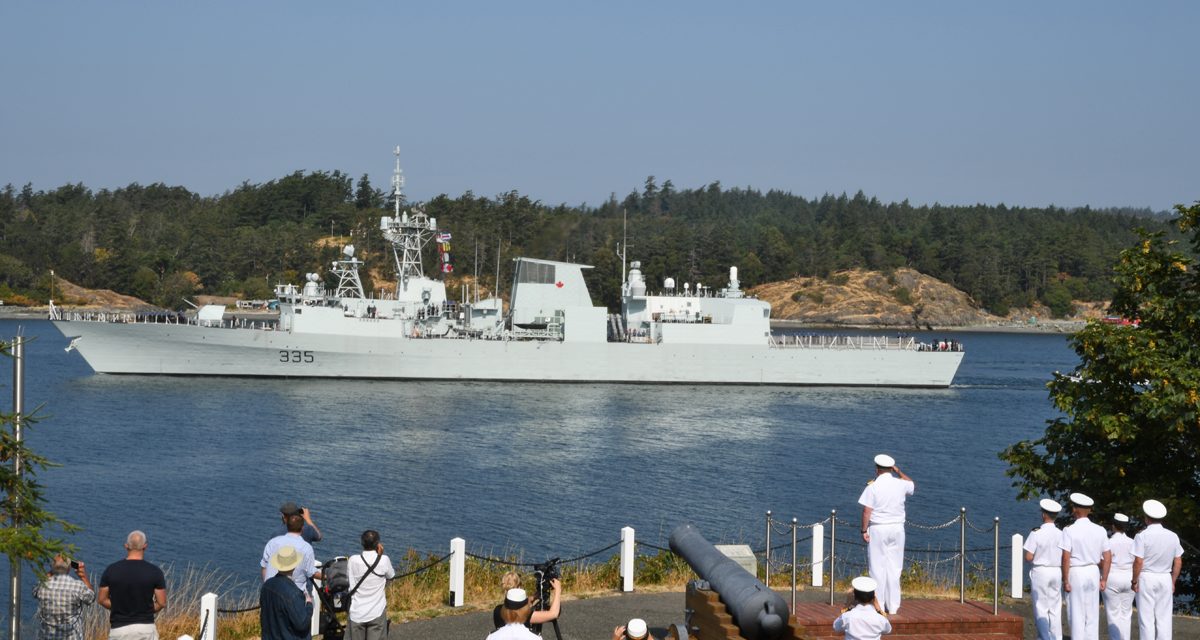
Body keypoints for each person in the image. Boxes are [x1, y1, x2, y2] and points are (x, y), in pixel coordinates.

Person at [858, 453, 914, 614]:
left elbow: (867, 510)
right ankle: (894, 606)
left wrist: (863, 529)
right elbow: (911, 484)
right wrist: (899, 471)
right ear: (891, 468)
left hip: (879, 528)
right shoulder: (900, 484)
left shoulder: (873, 486)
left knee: (877, 567)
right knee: (895, 567)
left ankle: (879, 604)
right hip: (897, 528)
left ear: (877, 470)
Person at [98, 531, 167, 640]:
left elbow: (102, 599)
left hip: (119, 629)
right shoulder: (155, 572)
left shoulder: (111, 570)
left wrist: (117, 607)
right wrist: (145, 610)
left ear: (126, 546)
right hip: (145, 628)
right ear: (145, 546)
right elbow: (162, 602)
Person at [1059, 493, 1111, 640]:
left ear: (1075, 510)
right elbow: (1107, 557)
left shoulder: (1069, 530)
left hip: (1076, 571)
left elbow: (1065, 557)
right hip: (1094, 571)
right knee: (1092, 613)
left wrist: (1065, 580)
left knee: (1076, 613)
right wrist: (1104, 578)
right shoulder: (1100, 530)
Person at [1132, 499, 1183, 640]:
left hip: (1147, 577)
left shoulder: (1142, 536)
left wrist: (1134, 580)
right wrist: (1173, 581)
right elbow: (1178, 561)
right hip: (1165, 577)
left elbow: (1138, 561)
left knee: (1146, 619)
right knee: (1164, 618)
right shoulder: (1173, 536)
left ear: (1146, 518)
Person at [1023, 498, 1063, 640]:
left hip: (1041, 571)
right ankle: (1056, 637)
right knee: (1055, 607)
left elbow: (1028, 556)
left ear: (1044, 515)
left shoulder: (1036, 532)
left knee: (1041, 606)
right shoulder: (1061, 533)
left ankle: (1044, 637)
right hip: (1057, 571)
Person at [346, 530, 395, 640]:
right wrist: (380, 556)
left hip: (357, 611)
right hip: (376, 611)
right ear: (378, 544)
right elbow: (391, 576)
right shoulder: (384, 560)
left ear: (362, 543)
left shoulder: (353, 560)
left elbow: (348, 578)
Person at [33, 555, 95, 640]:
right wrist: (83, 576)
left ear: (52, 566)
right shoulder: (77, 586)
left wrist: (52, 570)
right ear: (69, 568)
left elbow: (34, 592)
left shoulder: (42, 585)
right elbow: (91, 598)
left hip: (46, 637)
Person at [262, 514, 318, 608]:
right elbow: (311, 572)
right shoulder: (306, 547)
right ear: (302, 528)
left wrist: (266, 585)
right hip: (295, 598)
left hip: (270, 594)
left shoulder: (272, 542)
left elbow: (264, 567)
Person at [260, 545, 311, 640]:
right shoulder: (293, 593)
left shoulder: (267, 585)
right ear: (294, 566)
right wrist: (309, 604)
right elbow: (302, 624)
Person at [491, 571, 562, 631]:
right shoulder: (524, 615)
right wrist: (558, 590)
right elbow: (553, 614)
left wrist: (532, 598)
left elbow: (515, 606)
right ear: (519, 587)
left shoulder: (497, 610)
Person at [1103, 513, 1135, 640]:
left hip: (1113, 576)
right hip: (1129, 577)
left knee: (1113, 614)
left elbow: (1104, 561)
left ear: (1113, 526)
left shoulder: (1109, 542)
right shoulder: (1133, 542)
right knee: (1126, 614)